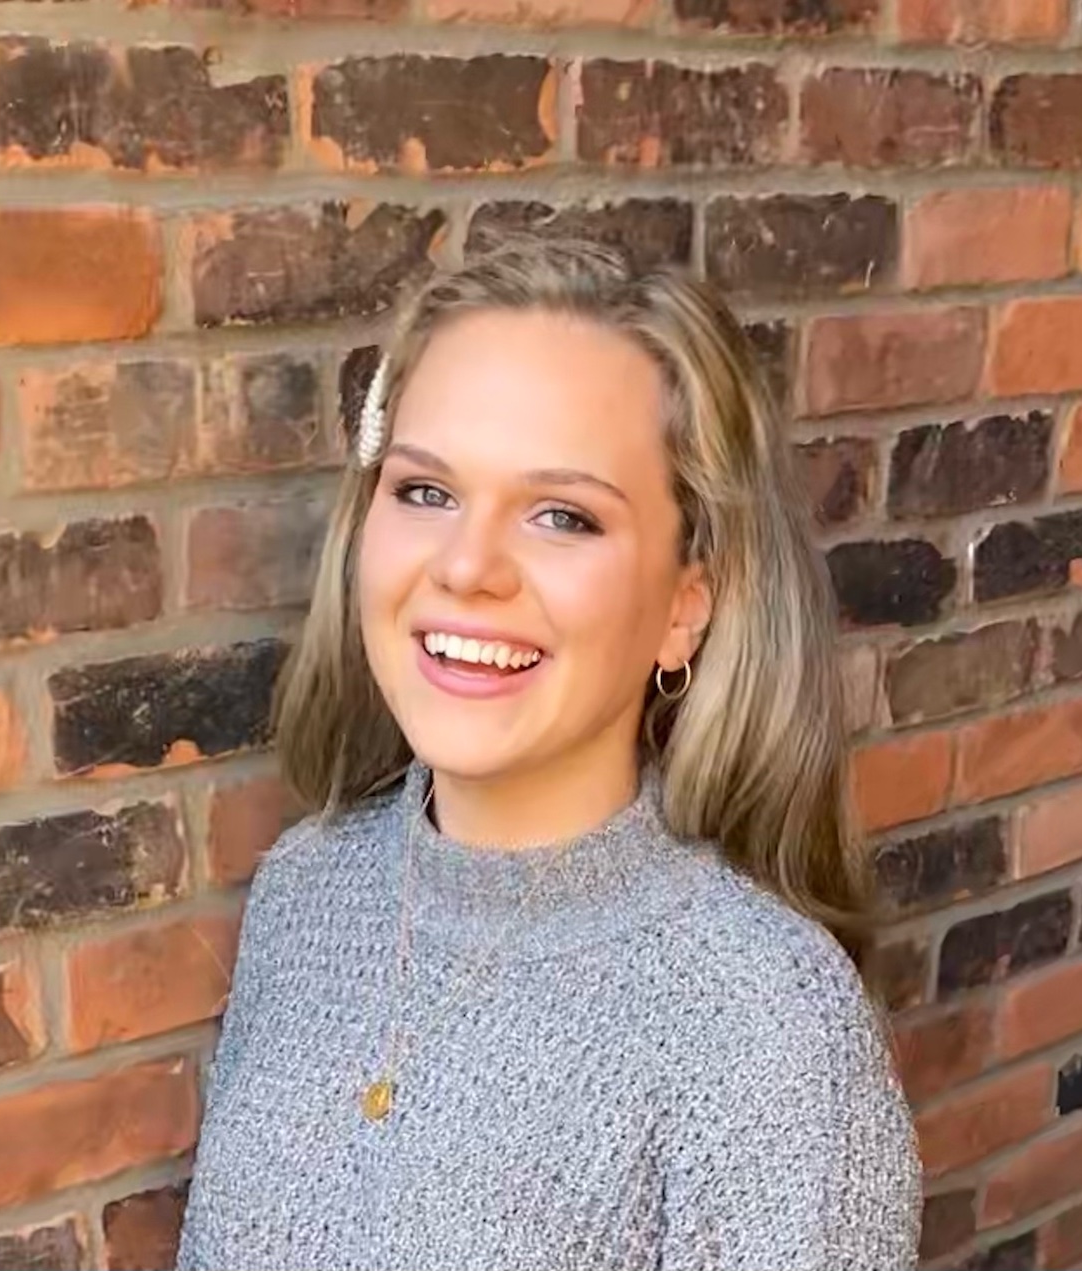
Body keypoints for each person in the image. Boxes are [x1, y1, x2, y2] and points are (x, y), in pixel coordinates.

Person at [176, 236, 922, 1271]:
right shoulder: (307, 889)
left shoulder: (766, 1030)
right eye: (427, 491)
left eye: (561, 515)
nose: (468, 565)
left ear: (682, 607)